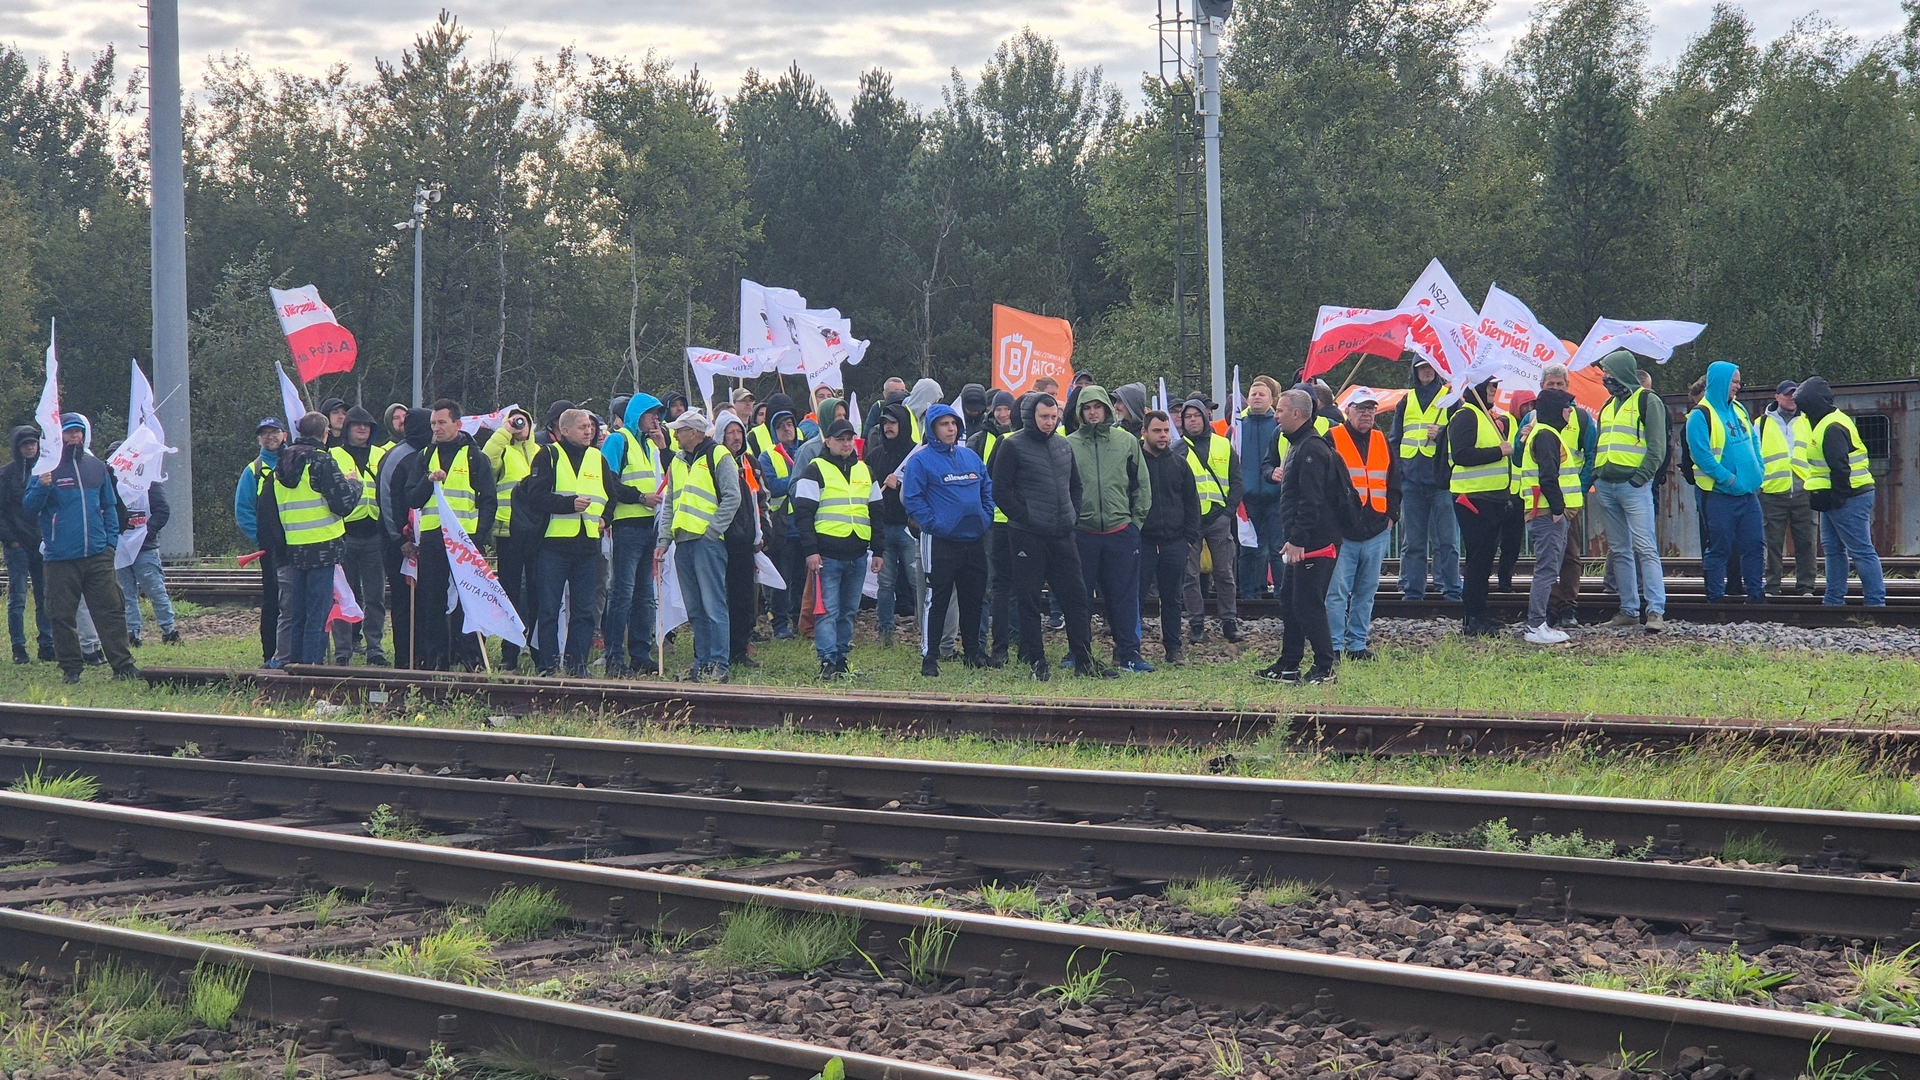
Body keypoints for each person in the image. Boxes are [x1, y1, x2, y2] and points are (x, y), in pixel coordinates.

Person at [991, 393, 1105, 681]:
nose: (1050, 422)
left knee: (1077, 598)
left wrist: (1072, 516)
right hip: (1027, 536)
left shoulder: (1063, 445)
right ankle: (1036, 661)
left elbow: (1075, 486)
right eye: (1044, 417)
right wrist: (1027, 518)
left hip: (1063, 534)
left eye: (1053, 417)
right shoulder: (1011, 445)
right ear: (1031, 416)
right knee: (1029, 600)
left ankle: (1084, 659)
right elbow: (1000, 491)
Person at [26, 414, 137, 684]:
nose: (74, 436)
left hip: (98, 555)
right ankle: (71, 667)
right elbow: (30, 507)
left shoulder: (96, 467)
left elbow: (110, 506)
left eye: (78, 432)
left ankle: (122, 665)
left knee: (110, 610)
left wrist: (110, 543)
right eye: (68, 432)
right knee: (61, 615)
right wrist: (42, 487)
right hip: (60, 557)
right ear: (58, 436)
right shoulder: (45, 469)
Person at [401, 399, 498, 670]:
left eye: (442, 422)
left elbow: (488, 500)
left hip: (464, 541)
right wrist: (427, 480)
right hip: (433, 539)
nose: (436, 428)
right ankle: (436, 657)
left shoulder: (475, 457)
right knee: (432, 599)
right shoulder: (424, 457)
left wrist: (478, 537)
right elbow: (412, 498)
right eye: (433, 423)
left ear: (457, 424)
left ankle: (469, 655)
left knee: (467, 600)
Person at [1257, 390, 1345, 683]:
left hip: (1316, 543)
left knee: (1308, 602)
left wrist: (1298, 540)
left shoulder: (1310, 449)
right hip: (1303, 540)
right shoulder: (1297, 444)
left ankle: (1325, 667)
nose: (1275, 415)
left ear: (1297, 413)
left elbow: (1311, 500)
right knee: (1290, 600)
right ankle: (1289, 663)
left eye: (1280, 410)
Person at [901, 403, 994, 675]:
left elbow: (986, 488)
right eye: (943, 424)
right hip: (940, 541)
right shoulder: (920, 460)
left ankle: (973, 652)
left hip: (974, 539)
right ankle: (930, 657)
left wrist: (985, 517)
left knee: (974, 597)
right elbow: (913, 499)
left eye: (953, 423)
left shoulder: (970, 457)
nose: (950, 428)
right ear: (932, 429)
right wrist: (934, 524)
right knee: (936, 598)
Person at [523, 407, 617, 676]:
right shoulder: (548, 455)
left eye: (590, 427)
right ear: (564, 431)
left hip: (587, 546)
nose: (589, 431)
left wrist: (605, 519)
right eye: (582, 427)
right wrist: (568, 504)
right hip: (553, 545)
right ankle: (548, 665)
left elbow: (609, 496)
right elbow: (535, 496)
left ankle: (578, 666)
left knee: (584, 611)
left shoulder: (597, 458)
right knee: (549, 609)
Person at [1067, 385, 1150, 674]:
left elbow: (1141, 485)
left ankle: (1129, 653)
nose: (1092, 412)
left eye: (1097, 406)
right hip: (1083, 533)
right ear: (1080, 411)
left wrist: (1134, 525)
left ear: (1106, 409)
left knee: (1124, 598)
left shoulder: (1126, 441)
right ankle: (1078, 652)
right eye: (1087, 407)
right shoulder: (1069, 444)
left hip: (1120, 531)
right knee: (1079, 598)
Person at [267, 412, 361, 665]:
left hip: (295, 546)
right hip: (323, 546)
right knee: (318, 614)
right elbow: (343, 504)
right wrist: (354, 484)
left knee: (298, 612)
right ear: (325, 432)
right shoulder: (322, 461)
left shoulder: (281, 463)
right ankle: (311, 668)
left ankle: (295, 663)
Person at [657, 409, 742, 681]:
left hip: (707, 543)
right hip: (684, 543)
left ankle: (719, 664)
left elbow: (732, 497)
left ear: (692, 432)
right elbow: (671, 502)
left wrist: (712, 531)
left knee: (713, 606)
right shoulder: (679, 462)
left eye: (678, 431)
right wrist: (664, 540)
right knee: (695, 608)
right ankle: (701, 663)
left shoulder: (719, 455)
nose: (674, 435)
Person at [793, 418, 882, 679]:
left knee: (848, 611)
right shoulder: (814, 469)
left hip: (857, 554)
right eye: (840, 439)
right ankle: (827, 660)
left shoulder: (866, 470)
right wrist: (811, 551)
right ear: (828, 441)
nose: (846, 443)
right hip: (827, 555)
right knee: (828, 611)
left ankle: (841, 658)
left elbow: (877, 513)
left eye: (849, 438)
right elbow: (804, 514)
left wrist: (878, 551)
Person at [1592, 349, 1668, 631]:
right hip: (1607, 486)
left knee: (1645, 547)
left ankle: (1655, 611)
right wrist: (1597, 476)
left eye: (1608, 372)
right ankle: (1628, 609)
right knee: (1620, 550)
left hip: (1633, 487)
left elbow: (1657, 447)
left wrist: (1640, 479)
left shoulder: (1648, 401)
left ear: (1621, 373)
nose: (1605, 378)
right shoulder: (1608, 405)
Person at [1796, 377, 1885, 606]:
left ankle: (1875, 602)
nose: (1802, 411)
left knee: (1859, 550)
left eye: (1804, 405)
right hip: (1841, 496)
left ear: (1812, 404)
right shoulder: (1829, 421)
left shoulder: (1831, 426)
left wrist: (1836, 497)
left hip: (1847, 496)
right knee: (1835, 549)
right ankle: (1834, 600)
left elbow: (1840, 467)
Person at [1324, 389, 1397, 661]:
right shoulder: (1332, 438)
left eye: (1371, 409)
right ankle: (1335, 646)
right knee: (1337, 593)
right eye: (1361, 408)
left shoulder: (1381, 439)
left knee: (1366, 592)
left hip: (1376, 528)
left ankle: (1357, 645)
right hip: (1343, 531)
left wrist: (1392, 516)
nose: (1366, 413)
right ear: (1348, 411)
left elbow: (1394, 480)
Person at [1687, 361, 1766, 604]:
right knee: (1720, 547)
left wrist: (1758, 470)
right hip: (1719, 495)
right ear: (1720, 382)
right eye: (1734, 381)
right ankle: (1715, 598)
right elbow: (1701, 456)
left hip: (1747, 494)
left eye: (1739, 381)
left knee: (1754, 544)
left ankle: (1756, 595)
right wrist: (1729, 479)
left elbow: (1753, 440)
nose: (1738, 386)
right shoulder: (1700, 416)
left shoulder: (1739, 409)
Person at [599, 394, 665, 675]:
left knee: (644, 596)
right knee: (622, 593)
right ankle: (614, 657)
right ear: (638, 415)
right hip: (627, 527)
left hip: (648, 527)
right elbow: (608, 480)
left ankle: (640, 653)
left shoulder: (650, 445)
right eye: (652, 414)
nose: (657, 419)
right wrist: (639, 497)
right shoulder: (619, 440)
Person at [1388, 358, 1461, 602]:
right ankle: (1413, 593)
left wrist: (1441, 434)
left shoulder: (1450, 398)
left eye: (1429, 367)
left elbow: (1461, 435)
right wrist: (1399, 473)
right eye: (1421, 368)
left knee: (1447, 542)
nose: (1426, 372)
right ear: (1415, 372)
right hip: (1411, 480)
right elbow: (1395, 439)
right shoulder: (1406, 400)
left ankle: (1452, 590)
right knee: (1413, 543)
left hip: (1441, 480)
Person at [1449, 378, 1515, 638]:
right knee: (1478, 559)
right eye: (1489, 386)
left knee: (1485, 559)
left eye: (1495, 387)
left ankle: (1479, 612)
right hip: (1473, 499)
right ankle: (1473, 616)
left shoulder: (1487, 416)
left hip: (1492, 498)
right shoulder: (1466, 415)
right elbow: (1462, 455)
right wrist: (1499, 451)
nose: (1494, 390)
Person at [1535, 364, 1596, 628]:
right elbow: (1518, 455)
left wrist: (1580, 489)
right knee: (1547, 556)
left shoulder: (1581, 418)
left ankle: (1569, 606)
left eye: (1561, 385)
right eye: (1551, 385)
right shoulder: (1531, 419)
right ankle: (1549, 607)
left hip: (1570, 500)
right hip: (1542, 501)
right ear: (1542, 387)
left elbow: (1591, 454)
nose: (1557, 389)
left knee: (1570, 555)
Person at [1518, 388, 1580, 645]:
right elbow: (1548, 476)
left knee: (1548, 569)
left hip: (1546, 512)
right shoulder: (1546, 435)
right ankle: (1536, 626)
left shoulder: (1546, 434)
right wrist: (1557, 509)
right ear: (1556, 410)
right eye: (1567, 407)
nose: (1570, 412)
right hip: (1547, 514)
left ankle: (1538, 624)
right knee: (1546, 570)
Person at [326, 407, 388, 664]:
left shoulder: (382, 454)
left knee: (375, 597)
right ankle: (343, 651)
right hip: (344, 533)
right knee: (343, 595)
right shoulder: (332, 455)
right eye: (357, 425)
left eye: (367, 425)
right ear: (348, 428)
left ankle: (375, 648)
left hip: (375, 533)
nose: (362, 429)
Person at [1138, 410, 1199, 666]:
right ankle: (1128, 648)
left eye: (1166, 431)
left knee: (1172, 599)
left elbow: (1191, 502)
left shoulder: (1179, 463)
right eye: (1157, 431)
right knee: (1135, 597)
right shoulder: (1135, 463)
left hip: (1174, 542)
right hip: (1142, 542)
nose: (1163, 436)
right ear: (1144, 433)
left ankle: (1174, 649)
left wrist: (1188, 539)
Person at [483, 405, 539, 669]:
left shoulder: (539, 453)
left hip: (537, 532)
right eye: (515, 422)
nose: (519, 426)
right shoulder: (502, 450)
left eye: (523, 423)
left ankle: (538, 650)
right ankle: (510, 653)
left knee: (537, 593)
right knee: (511, 593)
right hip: (508, 530)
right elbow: (486, 460)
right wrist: (504, 433)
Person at [1182, 397, 1242, 645]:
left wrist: (1228, 513)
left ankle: (1229, 621)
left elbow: (1236, 481)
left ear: (1206, 417)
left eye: (1197, 415)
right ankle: (1196, 623)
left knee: (1224, 573)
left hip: (1218, 519)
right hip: (1190, 522)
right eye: (1188, 416)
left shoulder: (1223, 445)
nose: (1193, 419)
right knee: (1190, 576)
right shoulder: (1178, 448)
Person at [863, 401, 923, 647]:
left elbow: (923, 490)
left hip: (909, 528)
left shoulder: (917, 455)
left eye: (893, 422)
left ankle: (924, 629)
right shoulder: (875, 455)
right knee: (885, 584)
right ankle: (885, 631)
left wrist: (901, 486)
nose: (888, 427)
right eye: (885, 423)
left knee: (916, 581)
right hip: (884, 528)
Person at [968, 389, 1020, 665]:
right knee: (989, 582)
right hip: (990, 521)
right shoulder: (979, 439)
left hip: (1016, 521)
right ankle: (980, 640)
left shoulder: (1021, 437)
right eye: (998, 409)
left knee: (1015, 583)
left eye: (1006, 409)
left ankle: (1014, 635)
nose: (1002, 414)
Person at [235, 417, 292, 666]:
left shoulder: (296, 462)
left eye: (275, 432)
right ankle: (270, 654)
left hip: (300, 543)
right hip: (272, 550)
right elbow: (243, 511)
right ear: (259, 439)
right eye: (265, 434)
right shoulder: (253, 470)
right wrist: (263, 540)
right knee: (273, 602)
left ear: (285, 435)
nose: (270, 437)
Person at [378, 407, 428, 668]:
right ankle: (404, 658)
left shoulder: (432, 452)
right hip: (399, 544)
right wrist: (400, 540)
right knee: (403, 602)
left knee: (427, 602)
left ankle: (425, 656)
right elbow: (386, 500)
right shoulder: (396, 456)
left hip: (427, 542)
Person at [1758, 380, 1818, 596]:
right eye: (1787, 394)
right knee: (1772, 544)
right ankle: (1772, 586)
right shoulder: (1761, 424)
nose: (1791, 398)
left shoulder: (1808, 422)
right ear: (1777, 397)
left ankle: (1806, 587)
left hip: (1804, 491)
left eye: (1794, 394)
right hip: (1772, 492)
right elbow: (1754, 456)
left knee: (1806, 543)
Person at [715, 412, 765, 668]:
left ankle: (739, 649)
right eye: (730, 432)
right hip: (722, 540)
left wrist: (761, 533)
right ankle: (721, 649)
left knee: (744, 598)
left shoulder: (749, 463)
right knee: (721, 598)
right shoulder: (714, 462)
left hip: (746, 540)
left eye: (739, 432)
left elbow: (759, 500)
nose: (736, 437)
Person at [0, 427, 54, 663]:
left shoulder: (47, 472)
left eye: (33, 443)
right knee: (18, 598)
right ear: (17, 447)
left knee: (45, 597)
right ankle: (18, 647)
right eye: (25, 444)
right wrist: (11, 540)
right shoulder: (6, 475)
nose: (30, 447)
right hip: (17, 545)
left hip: (43, 544)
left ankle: (47, 644)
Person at [113, 470, 176, 648]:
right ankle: (132, 634)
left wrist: (147, 532)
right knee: (126, 593)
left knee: (155, 589)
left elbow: (162, 510)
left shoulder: (150, 481)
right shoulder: (110, 482)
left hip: (145, 547)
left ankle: (169, 631)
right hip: (120, 547)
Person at [1238, 375, 1284, 600]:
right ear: (1247, 399)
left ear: (1272, 400)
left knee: (1277, 549)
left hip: (1276, 496)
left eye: (1261, 394)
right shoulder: (1237, 428)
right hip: (1247, 499)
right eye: (1253, 393)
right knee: (1248, 549)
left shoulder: (1279, 426)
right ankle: (1248, 594)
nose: (1256, 397)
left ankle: (1282, 594)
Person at [758, 405, 802, 640]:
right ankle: (780, 624)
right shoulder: (768, 455)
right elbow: (771, 486)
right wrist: (796, 479)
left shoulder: (805, 451)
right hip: (782, 527)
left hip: (804, 525)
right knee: (781, 580)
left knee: (801, 580)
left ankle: (800, 621)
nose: (786, 429)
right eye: (780, 426)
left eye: (789, 424)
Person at [1494, 390, 1532, 592]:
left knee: (1512, 542)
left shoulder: (1535, 425)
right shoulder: (1505, 421)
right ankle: (1482, 580)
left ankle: (1505, 581)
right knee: (1491, 541)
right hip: (1501, 491)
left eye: (1532, 405)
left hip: (1520, 495)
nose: (1529, 409)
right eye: (1526, 405)